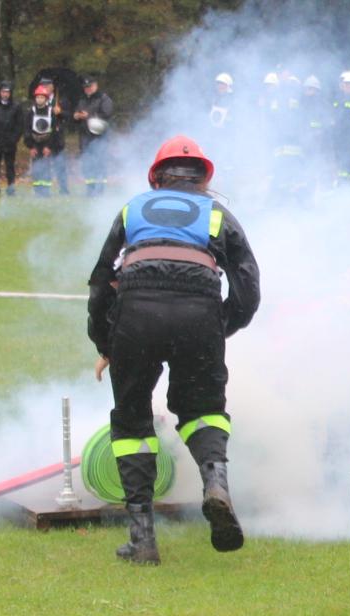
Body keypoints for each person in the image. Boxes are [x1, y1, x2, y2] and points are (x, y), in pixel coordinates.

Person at [87, 137, 260, 564]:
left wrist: (105, 342)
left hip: (136, 314)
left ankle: (142, 541)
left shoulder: (132, 210)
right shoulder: (219, 214)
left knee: (131, 423)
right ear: (203, 179)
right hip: (199, 314)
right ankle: (216, 485)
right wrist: (219, 326)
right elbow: (248, 288)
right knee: (202, 409)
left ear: (156, 178)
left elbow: (99, 284)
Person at [25, 84, 67, 197]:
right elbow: (27, 130)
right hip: (35, 143)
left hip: (47, 144)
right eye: (38, 97)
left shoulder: (51, 112)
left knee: (46, 167)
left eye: (42, 97)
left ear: (46, 98)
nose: (39, 99)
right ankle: (37, 190)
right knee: (36, 168)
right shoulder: (31, 112)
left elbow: (54, 131)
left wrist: (49, 147)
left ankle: (46, 191)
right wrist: (31, 146)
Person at [75, 77, 114, 196]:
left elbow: (107, 114)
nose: (88, 89)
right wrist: (76, 116)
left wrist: (89, 115)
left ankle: (100, 190)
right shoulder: (82, 100)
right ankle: (90, 190)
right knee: (87, 163)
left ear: (95, 85)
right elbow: (77, 113)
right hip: (85, 137)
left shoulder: (104, 98)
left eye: (90, 86)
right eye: (86, 87)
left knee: (100, 163)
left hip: (99, 136)